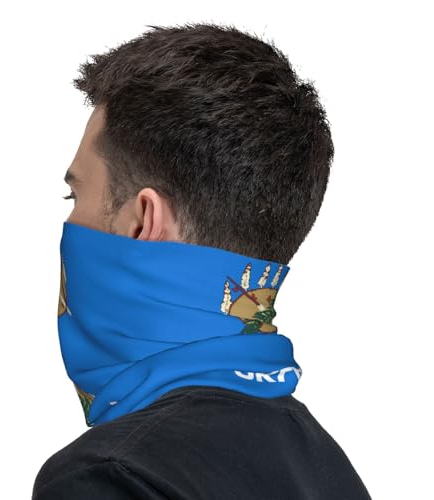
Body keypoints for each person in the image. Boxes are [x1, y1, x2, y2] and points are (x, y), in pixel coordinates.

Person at [32, 22, 372, 500]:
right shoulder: (329, 472)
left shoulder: (114, 476)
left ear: (143, 220)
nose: (72, 219)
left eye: (76, 195)